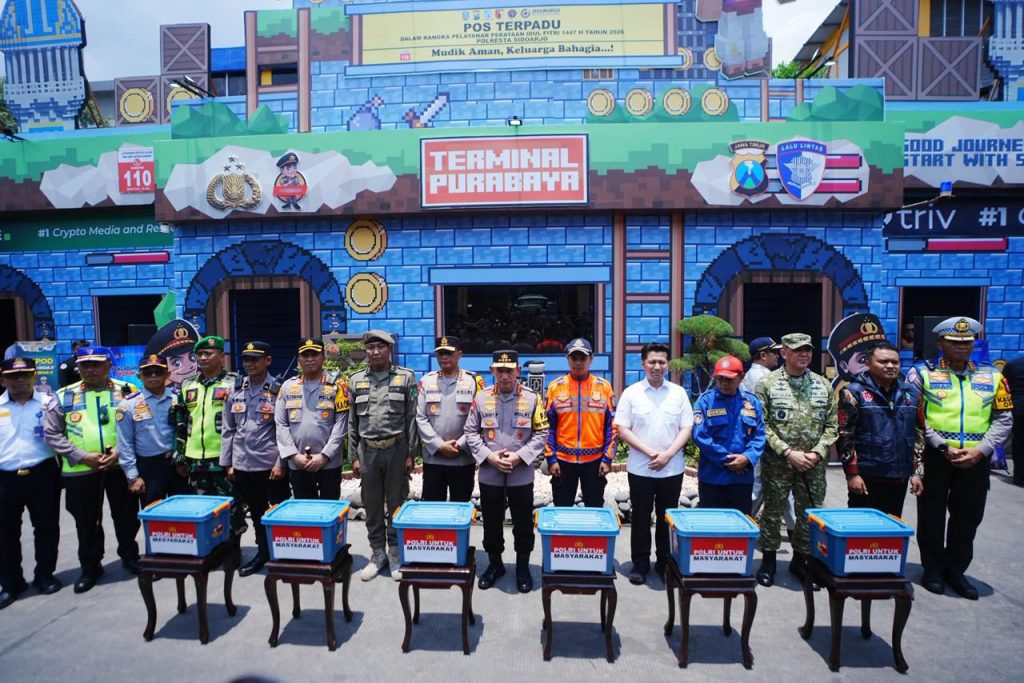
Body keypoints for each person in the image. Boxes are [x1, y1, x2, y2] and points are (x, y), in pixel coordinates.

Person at [910, 317, 1013, 599]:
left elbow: (1004, 419)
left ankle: (956, 569)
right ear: (941, 343)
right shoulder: (922, 373)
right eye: (954, 342)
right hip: (936, 456)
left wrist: (981, 451)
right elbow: (916, 416)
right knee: (931, 515)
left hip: (975, 459)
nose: (961, 347)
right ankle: (931, 567)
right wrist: (942, 446)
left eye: (967, 342)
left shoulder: (992, 376)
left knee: (968, 516)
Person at [43, 346, 140, 593]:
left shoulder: (128, 391)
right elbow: (52, 434)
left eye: (97, 364)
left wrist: (120, 451)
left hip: (120, 466)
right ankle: (90, 567)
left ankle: (130, 556)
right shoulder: (63, 396)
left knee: (126, 516)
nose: (91, 369)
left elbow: (141, 425)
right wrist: (82, 456)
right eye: (85, 365)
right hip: (81, 470)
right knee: (86, 521)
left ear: (109, 365)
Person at [754, 332, 838, 587]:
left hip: (813, 464)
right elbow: (763, 425)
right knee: (772, 511)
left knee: (808, 513)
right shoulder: (767, 384)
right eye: (798, 349)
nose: (804, 354)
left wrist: (816, 452)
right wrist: (788, 452)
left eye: (808, 350)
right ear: (784, 353)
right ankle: (768, 560)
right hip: (779, 463)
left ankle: (801, 561)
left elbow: (832, 426)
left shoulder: (823, 385)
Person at [465, 350, 549, 593]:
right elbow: (470, 433)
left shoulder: (532, 399)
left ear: (518, 371)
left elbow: (542, 432)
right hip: (490, 472)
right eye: (499, 370)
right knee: (491, 521)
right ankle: (495, 565)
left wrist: (519, 456)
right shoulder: (480, 399)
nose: (504, 376)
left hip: (520, 473)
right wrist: (488, 456)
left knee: (523, 522)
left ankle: (522, 566)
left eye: (509, 370)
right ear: (492, 371)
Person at [615, 342, 694, 584]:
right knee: (640, 516)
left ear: (667, 364)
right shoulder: (632, 393)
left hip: (672, 468)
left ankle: (664, 562)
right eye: (652, 362)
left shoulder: (678, 393)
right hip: (641, 468)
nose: (657, 366)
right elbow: (622, 429)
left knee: (666, 517)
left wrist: (668, 454)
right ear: (643, 364)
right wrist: (652, 453)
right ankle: (640, 564)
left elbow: (687, 428)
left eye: (661, 362)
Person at [349, 330, 418, 582]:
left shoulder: (405, 378)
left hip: (397, 449)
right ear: (366, 351)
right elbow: (352, 422)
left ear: (389, 350)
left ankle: (395, 552)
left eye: (380, 347)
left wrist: (411, 453)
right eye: (371, 348)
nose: (375, 352)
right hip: (367, 451)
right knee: (373, 504)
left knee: (397, 502)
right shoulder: (356, 381)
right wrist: (353, 456)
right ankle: (377, 553)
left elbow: (412, 417)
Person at [0, 358, 62, 608]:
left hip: (42, 473)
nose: (19, 380)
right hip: (5, 477)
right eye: (13, 376)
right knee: (5, 534)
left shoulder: (49, 403)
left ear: (34, 376)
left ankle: (45, 575)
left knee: (47, 528)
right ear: (3, 379)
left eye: (25, 375)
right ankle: (11, 583)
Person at [174, 336, 246, 549]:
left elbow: (241, 425)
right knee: (204, 508)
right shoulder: (188, 385)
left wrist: (235, 459)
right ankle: (213, 548)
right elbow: (181, 422)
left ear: (221, 357)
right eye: (200, 354)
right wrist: (179, 455)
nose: (203, 358)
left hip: (223, 459)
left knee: (232, 505)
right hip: (195, 459)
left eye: (208, 354)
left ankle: (232, 550)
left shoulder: (235, 383)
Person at [224, 341, 290, 576]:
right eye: (246, 360)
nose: (249, 364)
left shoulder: (279, 389)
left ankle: (283, 553)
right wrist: (229, 463)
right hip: (243, 464)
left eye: (255, 359)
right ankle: (263, 552)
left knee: (278, 512)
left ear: (268, 361)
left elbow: (284, 431)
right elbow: (228, 429)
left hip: (270, 465)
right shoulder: (236, 389)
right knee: (256, 512)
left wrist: (281, 463)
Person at [837, 342, 924, 517]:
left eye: (895, 362)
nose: (890, 366)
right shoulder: (853, 392)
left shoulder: (911, 393)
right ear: (868, 363)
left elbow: (919, 433)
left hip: (898, 476)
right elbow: (845, 435)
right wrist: (852, 474)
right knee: (861, 531)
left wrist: (917, 472)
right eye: (883, 362)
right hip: (867, 476)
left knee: (890, 529)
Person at [544, 338, 616, 508]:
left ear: (591, 359)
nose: (578, 363)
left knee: (595, 509)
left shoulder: (604, 387)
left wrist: (607, 458)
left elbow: (612, 427)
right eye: (574, 358)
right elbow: (547, 427)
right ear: (567, 359)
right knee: (562, 509)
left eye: (582, 358)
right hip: (562, 461)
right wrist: (551, 458)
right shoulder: (555, 387)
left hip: (595, 462)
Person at [275, 338, 348, 501]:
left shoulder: (337, 386)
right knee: (305, 514)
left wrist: (324, 455)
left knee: (330, 511)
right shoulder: (287, 387)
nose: (309, 359)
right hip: (298, 462)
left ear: (324, 357)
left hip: (329, 463)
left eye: (314, 354)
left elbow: (341, 425)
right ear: (298, 359)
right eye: (304, 355)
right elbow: (281, 424)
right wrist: (294, 456)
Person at [692, 355, 765, 515]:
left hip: (742, 478)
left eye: (729, 379)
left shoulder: (752, 403)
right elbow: (700, 436)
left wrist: (746, 458)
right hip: (712, 477)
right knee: (712, 527)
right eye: (720, 379)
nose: (724, 383)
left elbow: (759, 436)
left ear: (741, 377)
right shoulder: (705, 402)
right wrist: (729, 461)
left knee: (739, 527)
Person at [415, 336, 484, 502]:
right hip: (434, 458)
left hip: (462, 458)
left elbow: (479, 419)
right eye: (440, 353)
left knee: (460, 507)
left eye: (449, 353)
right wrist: (439, 445)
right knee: (433, 507)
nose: (444, 357)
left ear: (459, 354)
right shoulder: (426, 381)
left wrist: (459, 445)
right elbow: (420, 418)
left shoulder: (474, 381)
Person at [116, 354, 188, 508]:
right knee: (155, 517)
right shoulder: (128, 404)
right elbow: (125, 443)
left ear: (167, 375)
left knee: (183, 514)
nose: (153, 376)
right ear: (139, 376)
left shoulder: (178, 399)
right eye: (148, 373)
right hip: (149, 467)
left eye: (158, 372)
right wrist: (133, 476)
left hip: (177, 464)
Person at [1000, 352, 1024, 486]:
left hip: (1018, 408)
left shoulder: (1013, 364)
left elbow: (1005, 386)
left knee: (1019, 442)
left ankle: (1019, 476)